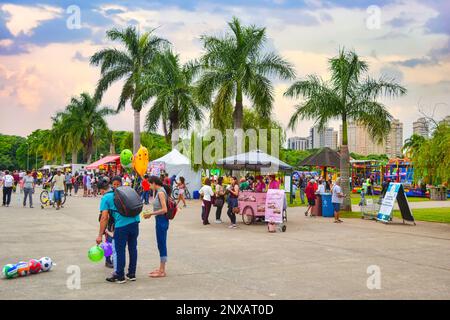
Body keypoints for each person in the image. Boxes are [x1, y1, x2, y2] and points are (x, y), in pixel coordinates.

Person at [97, 177, 140, 283]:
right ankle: (132, 274)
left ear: (101, 190)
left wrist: (99, 235)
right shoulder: (121, 192)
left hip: (122, 226)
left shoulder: (106, 198)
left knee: (120, 250)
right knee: (133, 248)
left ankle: (120, 276)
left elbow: (104, 217)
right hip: (135, 222)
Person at [143, 176, 169, 278]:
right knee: (160, 243)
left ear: (154, 183)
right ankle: (161, 268)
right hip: (160, 219)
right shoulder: (159, 191)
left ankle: (162, 271)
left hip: (162, 220)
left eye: (150, 184)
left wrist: (151, 213)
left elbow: (165, 209)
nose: (149, 186)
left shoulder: (161, 192)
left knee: (161, 243)